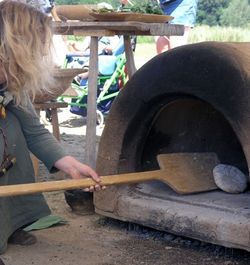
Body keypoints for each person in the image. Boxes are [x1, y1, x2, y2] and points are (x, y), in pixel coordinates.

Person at [0, 0, 103, 255]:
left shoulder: (12, 82)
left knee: (14, 130)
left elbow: (35, 131)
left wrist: (69, 165)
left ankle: (9, 224)